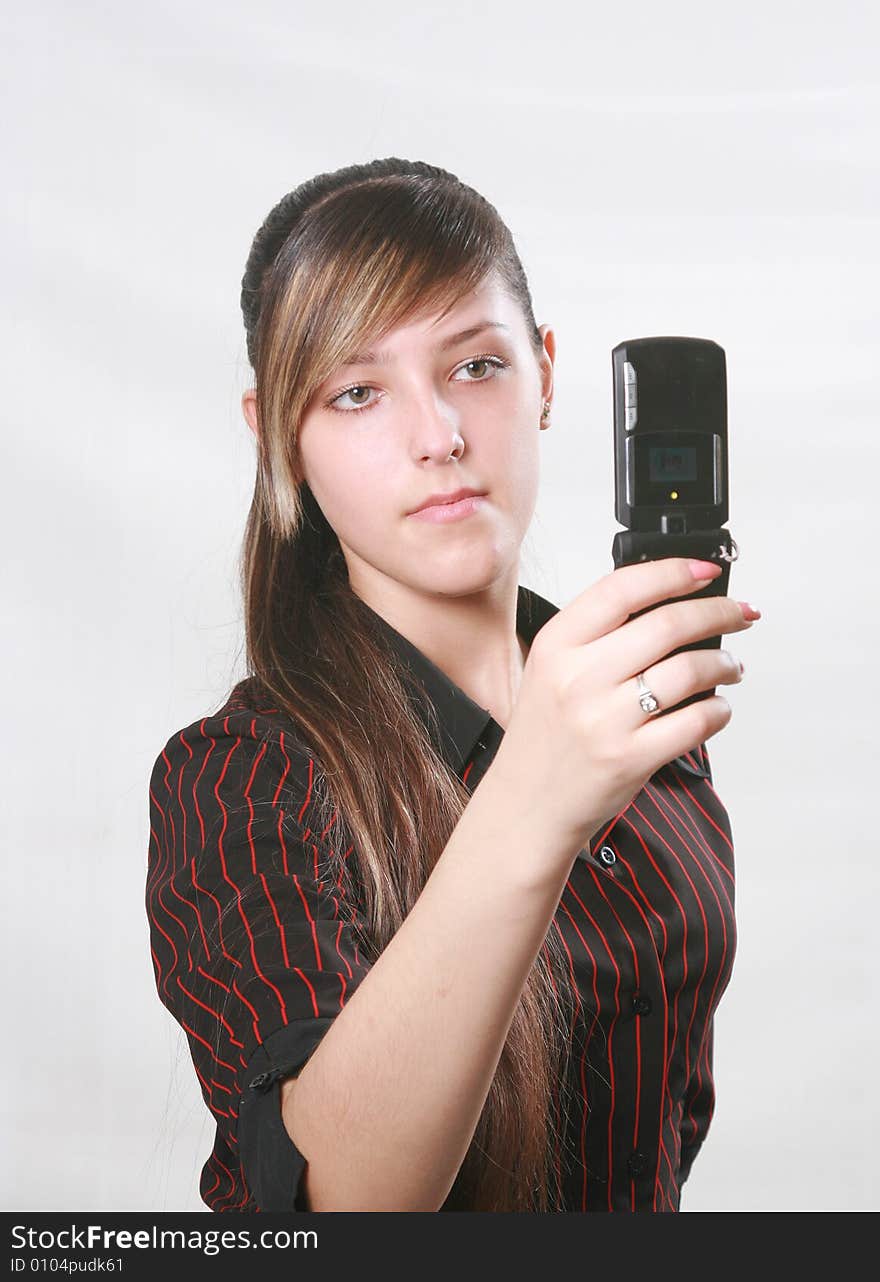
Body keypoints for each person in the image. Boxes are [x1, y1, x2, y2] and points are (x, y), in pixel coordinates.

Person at [145, 157, 760, 1214]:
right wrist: (532, 805)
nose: (438, 438)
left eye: (476, 367)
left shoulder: (630, 704)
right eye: (356, 392)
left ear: (548, 374)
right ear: (277, 438)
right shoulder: (243, 782)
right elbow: (333, 1212)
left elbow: (664, 1114)